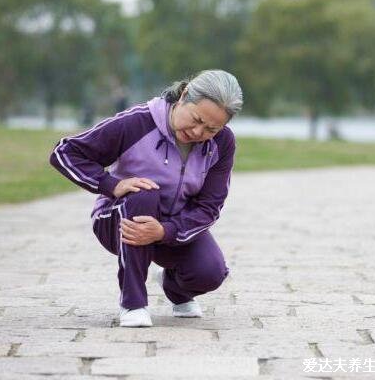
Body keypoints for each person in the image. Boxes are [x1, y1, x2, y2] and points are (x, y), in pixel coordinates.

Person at [49, 69, 243, 327]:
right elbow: (65, 152)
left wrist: (164, 231)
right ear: (184, 95)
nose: (198, 132)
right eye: (196, 119)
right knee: (144, 193)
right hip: (117, 219)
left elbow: (209, 207)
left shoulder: (223, 143)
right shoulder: (136, 123)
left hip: (170, 228)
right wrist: (110, 184)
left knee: (210, 272)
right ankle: (133, 303)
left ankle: (176, 288)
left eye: (211, 128)